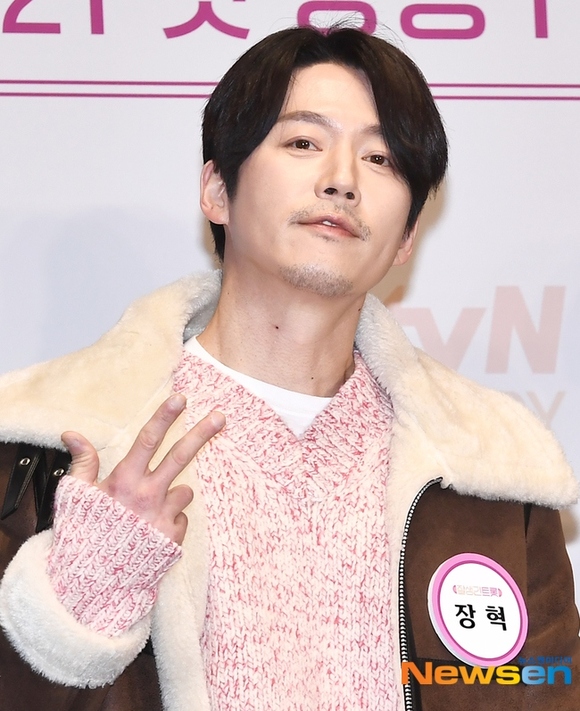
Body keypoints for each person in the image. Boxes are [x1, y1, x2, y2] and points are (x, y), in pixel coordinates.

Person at [0, 24, 577, 711]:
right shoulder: (53, 448)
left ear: (407, 237)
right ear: (217, 189)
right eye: (303, 143)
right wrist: (84, 594)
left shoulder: (491, 472)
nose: (342, 181)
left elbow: (545, 691)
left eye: (381, 159)